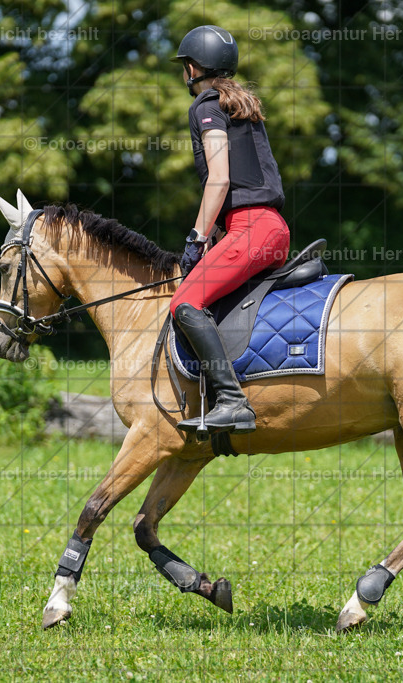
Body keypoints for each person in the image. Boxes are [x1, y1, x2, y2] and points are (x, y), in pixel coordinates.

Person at [169, 25, 290, 435]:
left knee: (184, 304)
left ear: (192, 68)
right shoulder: (242, 104)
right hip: (271, 229)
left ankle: (233, 402)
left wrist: (197, 238)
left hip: (252, 229)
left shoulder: (207, 104)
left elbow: (219, 180)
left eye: (184, 68)